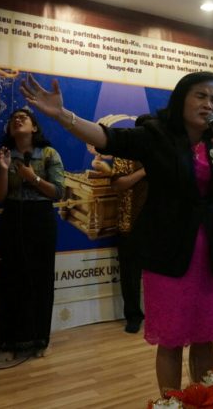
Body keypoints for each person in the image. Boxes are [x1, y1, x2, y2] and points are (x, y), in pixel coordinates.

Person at [19, 71, 213, 393]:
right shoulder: (157, 135)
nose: (209, 104)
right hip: (167, 254)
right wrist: (62, 114)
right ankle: (171, 402)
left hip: (210, 256)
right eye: (200, 96)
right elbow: (107, 137)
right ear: (181, 100)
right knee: (171, 340)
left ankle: (204, 401)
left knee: (204, 338)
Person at [0, 108, 65, 368]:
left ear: (34, 127)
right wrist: (3, 170)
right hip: (12, 218)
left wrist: (33, 178)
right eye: (14, 119)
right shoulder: (4, 154)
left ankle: (40, 340)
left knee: (40, 280)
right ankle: (8, 343)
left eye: (24, 118)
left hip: (41, 220)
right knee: (10, 281)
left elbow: (58, 192)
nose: (18, 120)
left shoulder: (49, 153)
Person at [92, 115, 150, 334]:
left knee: (160, 272)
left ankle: (160, 312)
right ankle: (133, 315)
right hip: (130, 221)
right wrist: (145, 171)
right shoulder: (125, 153)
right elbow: (118, 184)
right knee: (130, 273)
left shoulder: (163, 152)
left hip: (158, 221)